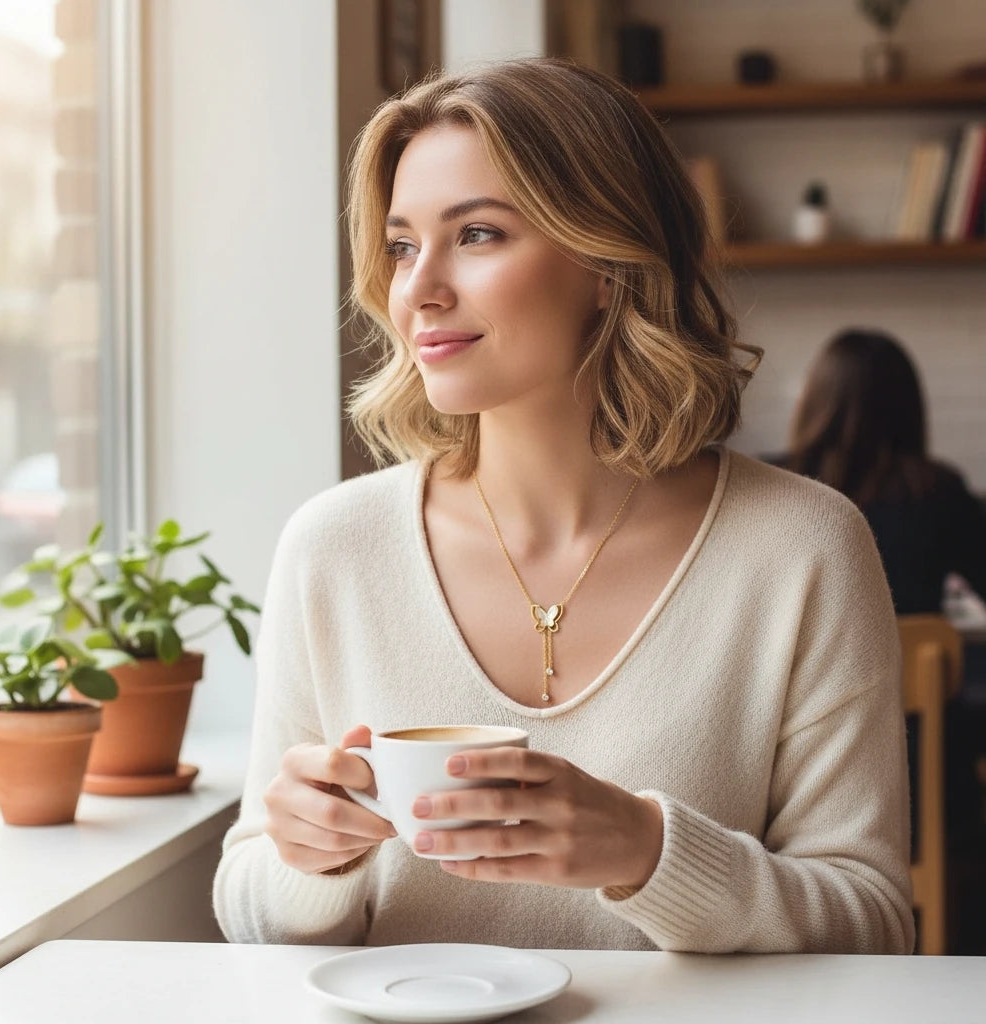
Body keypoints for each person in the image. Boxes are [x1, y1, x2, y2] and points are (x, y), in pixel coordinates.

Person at [213, 58, 914, 955]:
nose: (418, 288)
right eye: (401, 246)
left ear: (608, 264)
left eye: (476, 235)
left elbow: (873, 925)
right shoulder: (333, 547)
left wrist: (649, 852)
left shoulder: (804, 547)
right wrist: (310, 863)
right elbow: (249, 908)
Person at [780, 329, 986, 615]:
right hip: (915, 646)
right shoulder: (940, 490)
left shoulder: (772, 481)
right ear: (909, 406)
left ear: (815, 400)